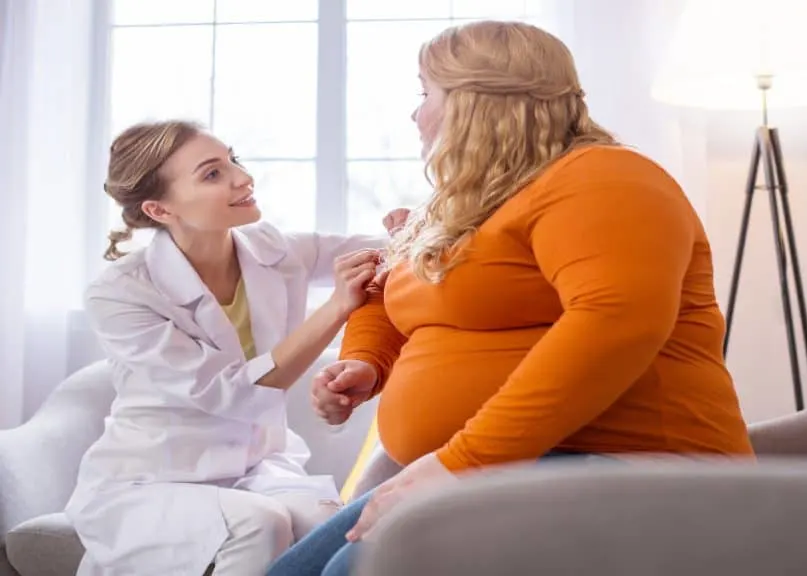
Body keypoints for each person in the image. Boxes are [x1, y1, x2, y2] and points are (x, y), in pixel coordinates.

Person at [268, 20, 755, 576]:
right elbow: (390, 290)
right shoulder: (465, 205)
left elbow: (615, 322)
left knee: (355, 571)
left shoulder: (604, 177)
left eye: (425, 93)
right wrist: (367, 361)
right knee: (291, 572)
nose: (415, 113)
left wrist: (462, 462)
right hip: (509, 465)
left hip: (627, 463)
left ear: (476, 102)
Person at [64, 120, 401, 576]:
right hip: (154, 479)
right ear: (160, 210)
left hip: (259, 466)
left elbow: (386, 250)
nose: (243, 178)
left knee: (336, 528)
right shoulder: (121, 293)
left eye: (233, 161)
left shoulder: (270, 249)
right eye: (212, 174)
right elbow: (234, 391)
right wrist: (338, 307)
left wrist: (414, 227)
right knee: (257, 524)